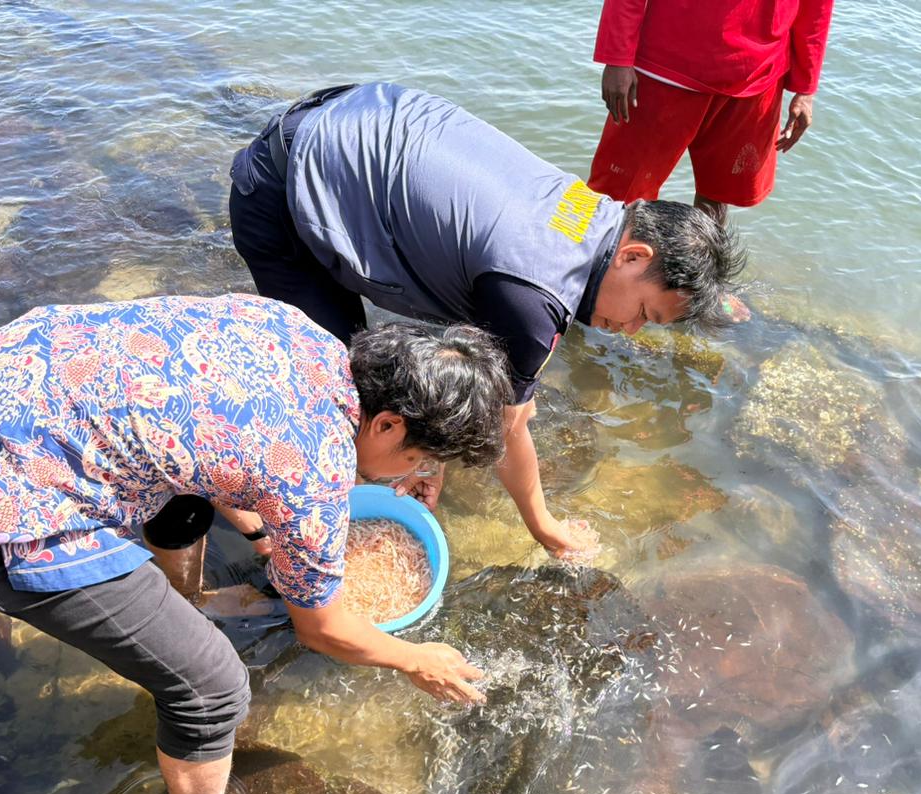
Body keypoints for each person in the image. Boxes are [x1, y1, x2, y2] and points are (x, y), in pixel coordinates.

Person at [0, 293, 511, 794]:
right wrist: (414, 658)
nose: (419, 475)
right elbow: (324, 630)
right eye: (421, 459)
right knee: (213, 686)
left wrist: (268, 527)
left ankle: (168, 615)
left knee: (183, 493)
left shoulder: (293, 331)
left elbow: (201, 431)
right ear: (387, 422)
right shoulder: (312, 472)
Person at [229, 81, 745, 558]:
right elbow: (507, 427)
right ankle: (272, 521)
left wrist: (434, 457)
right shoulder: (533, 299)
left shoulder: (590, 213)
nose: (630, 330)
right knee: (336, 398)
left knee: (372, 385)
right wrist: (544, 527)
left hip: (351, 121)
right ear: (633, 255)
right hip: (282, 188)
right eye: (643, 313)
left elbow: (489, 372)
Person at [587, 0, 835, 225]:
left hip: (757, 74)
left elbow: (817, 7)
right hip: (664, 65)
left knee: (716, 199)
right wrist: (618, 58)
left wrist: (805, 88)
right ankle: (579, 268)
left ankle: (701, 272)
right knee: (614, 196)